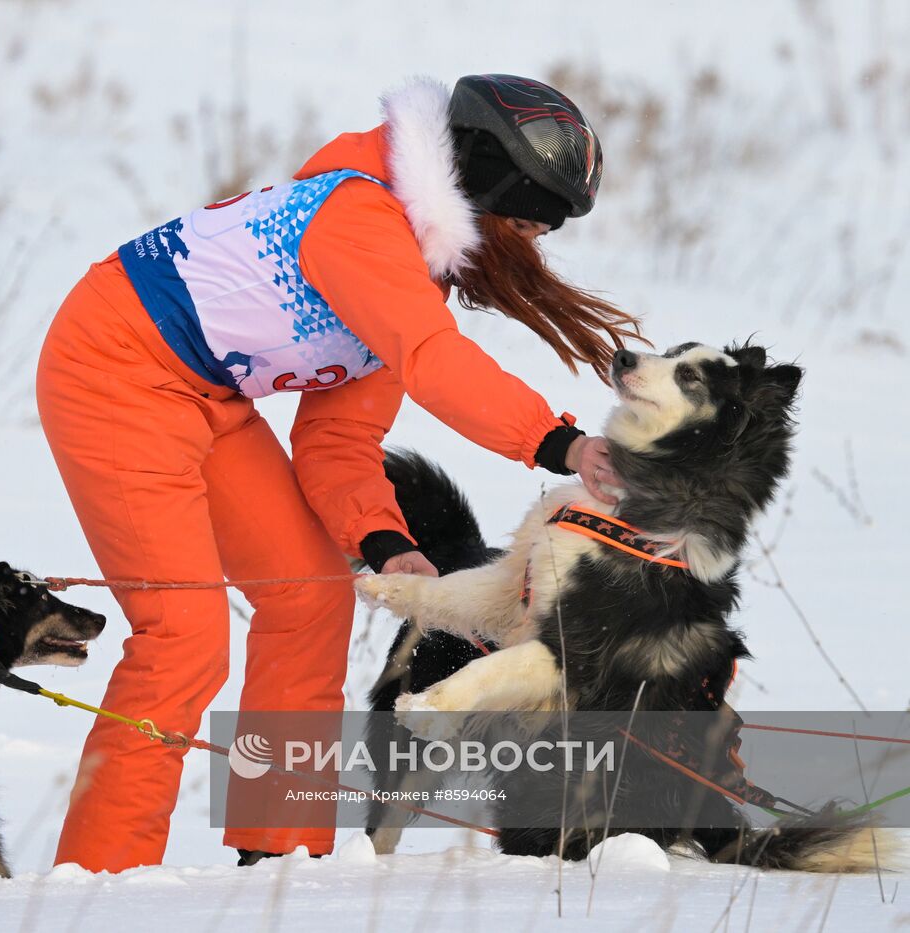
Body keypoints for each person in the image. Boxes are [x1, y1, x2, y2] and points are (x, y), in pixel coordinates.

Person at [36, 73, 642, 873]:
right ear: (486, 183)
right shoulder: (358, 218)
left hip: (206, 394)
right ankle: (99, 881)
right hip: (112, 367)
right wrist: (559, 443)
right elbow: (433, 362)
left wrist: (387, 542)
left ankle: (279, 857)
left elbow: (339, 439)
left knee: (309, 600)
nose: (528, 247)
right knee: (183, 639)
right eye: (524, 225)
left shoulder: (412, 271)